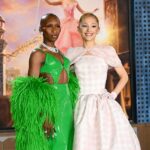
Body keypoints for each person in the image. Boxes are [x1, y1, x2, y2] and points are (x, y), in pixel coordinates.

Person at [65, 13, 141, 150]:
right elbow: (62, 78)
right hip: (81, 103)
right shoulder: (72, 52)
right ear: (78, 28)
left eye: (93, 26)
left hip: (103, 103)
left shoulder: (107, 51)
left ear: (98, 30)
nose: (89, 30)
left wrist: (113, 95)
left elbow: (124, 76)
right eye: (84, 26)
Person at [11, 13, 79, 150]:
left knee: (69, 143)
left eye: (57, 26)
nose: (54, 30)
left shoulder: (61, 54)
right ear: (41, 29)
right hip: (51, 109)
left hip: (67, 108)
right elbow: (31, 89)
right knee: (55, 145)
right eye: (49, 26)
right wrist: (44, 115)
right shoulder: (38, 54)